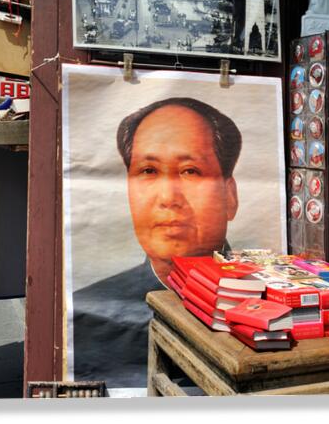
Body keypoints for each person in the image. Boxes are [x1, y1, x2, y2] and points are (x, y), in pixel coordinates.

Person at [72, 97, 242, 388]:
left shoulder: (263, 299)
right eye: (148, 171)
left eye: (190, 171)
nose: (168, 198)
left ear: (230, 195)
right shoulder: (85, 315)